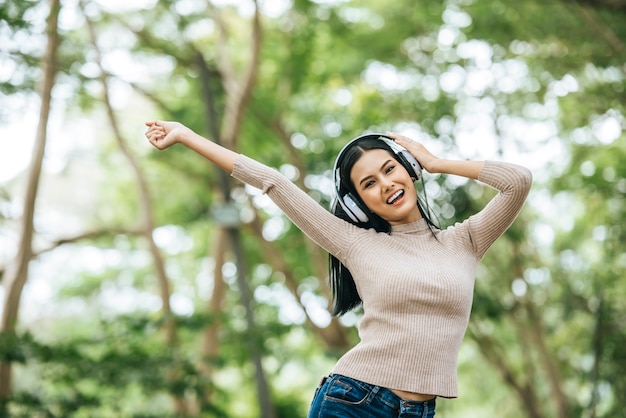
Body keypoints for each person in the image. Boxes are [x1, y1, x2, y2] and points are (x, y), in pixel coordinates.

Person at [145, 120, 532, 418]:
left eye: (390, 169)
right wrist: (186, 135)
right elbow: (273, 182)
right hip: (355, 401)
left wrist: (435, 162)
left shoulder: (465, 241)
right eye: (369, 183)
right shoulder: (357, 242)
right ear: (359, 204)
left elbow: (518, 181)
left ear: (409, 170)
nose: (386, 184)